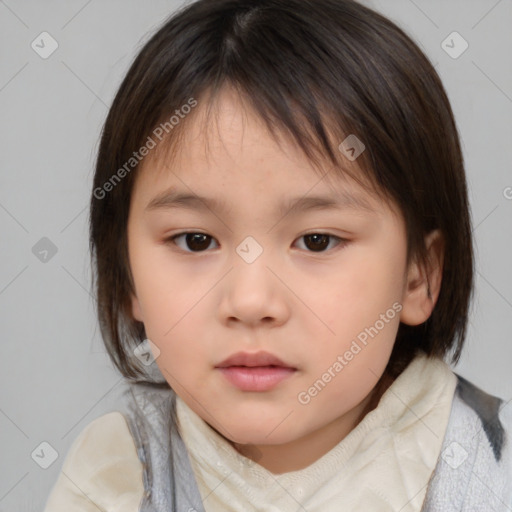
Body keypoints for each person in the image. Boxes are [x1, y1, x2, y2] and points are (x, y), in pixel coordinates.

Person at [43, 0, 512, 510]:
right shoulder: (121, 478)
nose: (250, 301)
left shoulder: (491, 469)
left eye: (317, 241)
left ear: (418, 275)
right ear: (128, 274)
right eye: (195, 240)